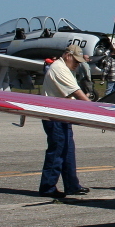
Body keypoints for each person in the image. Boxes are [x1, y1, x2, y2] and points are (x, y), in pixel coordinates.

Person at [38, 44, 90, 198]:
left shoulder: (65, 68)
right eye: (76, 61)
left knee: (68, 151)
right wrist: (94, 108)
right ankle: (47, 187)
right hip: (54, 116)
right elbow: (77, 92)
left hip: (63, 115)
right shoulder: (59, 68)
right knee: (57, 151)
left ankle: (72, 185)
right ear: (68, 56)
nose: (77, 65)